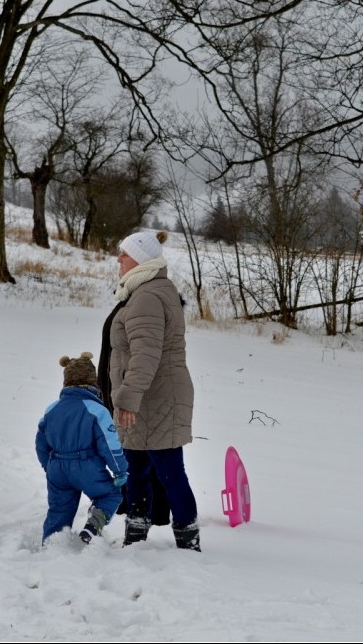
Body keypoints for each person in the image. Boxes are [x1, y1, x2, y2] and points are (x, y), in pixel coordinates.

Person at [108, 230, 200, 551]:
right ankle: (136, 535)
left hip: (155, 399)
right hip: (148, 397)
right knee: (137, 472)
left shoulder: (147, 296)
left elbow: (145, 354)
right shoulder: (150, 290)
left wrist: (128, 398)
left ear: (142, 260)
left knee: (170, 473)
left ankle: (188, 542)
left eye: (124, 253)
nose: (118, 259)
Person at [36, 352, 128, 544]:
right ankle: (92, 528)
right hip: (86, 467)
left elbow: (41, 443)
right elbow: (109, 445)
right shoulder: (96, 409)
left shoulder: (51, 409)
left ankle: (52, 543)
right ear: (93, 382)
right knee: (110, 494)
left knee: (59, 509)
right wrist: (120, 470)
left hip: (57, 469)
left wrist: (49, 467)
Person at [98, 299, 172, 528]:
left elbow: (144, 358)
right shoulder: (125, 307)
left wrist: (129, 394)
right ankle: (130, 504)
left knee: (151, 452)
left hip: (137, 395)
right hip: (118, 392)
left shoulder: (145, 309)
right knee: (128, 450)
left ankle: (156, 512)